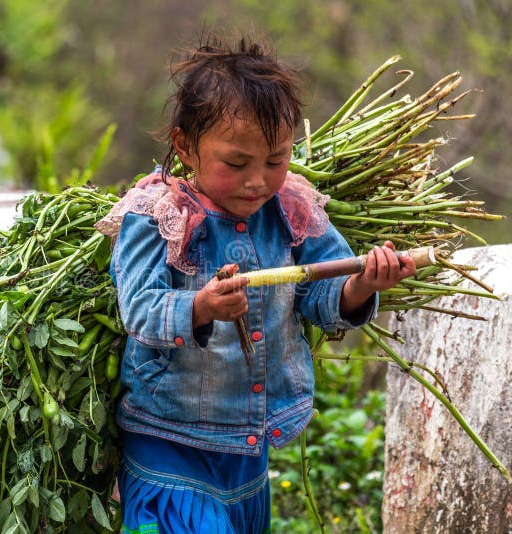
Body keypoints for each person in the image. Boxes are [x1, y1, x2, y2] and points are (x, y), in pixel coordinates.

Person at [96, 34, 416, 533]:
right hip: (169, 440)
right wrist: (199, 306)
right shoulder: (155, 214)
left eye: (275, 160)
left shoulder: (293, 208)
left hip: (248, 447)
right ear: (185, 146)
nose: (258, 182)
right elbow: (139, 309)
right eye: (236, 164)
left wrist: (362, 286)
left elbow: (319, 296)